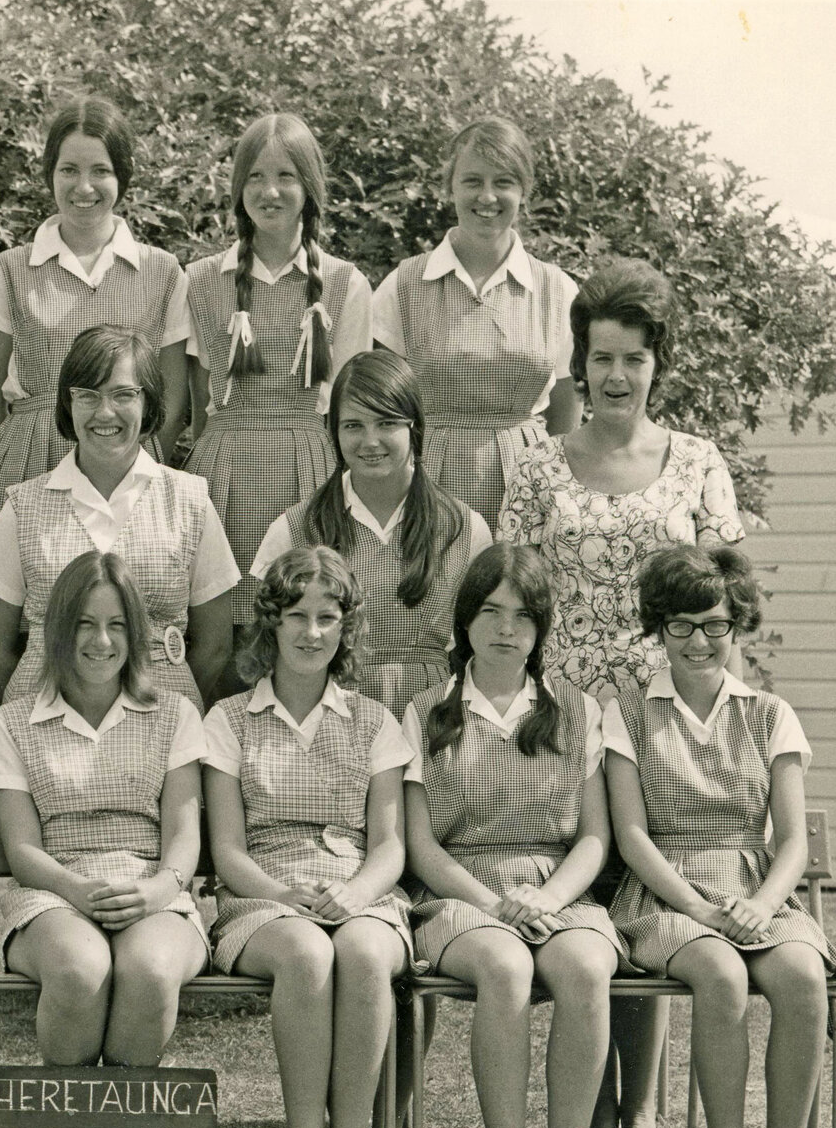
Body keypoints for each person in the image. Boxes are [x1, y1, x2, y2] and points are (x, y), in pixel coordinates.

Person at [499, 256, 746, 1128]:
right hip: (560, 720)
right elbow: (510, 594)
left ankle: (637, 1127)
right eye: (600, 357)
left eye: (633, 359)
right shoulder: (533, 463)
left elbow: (723, 609)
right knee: (584, 918)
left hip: (657, 721)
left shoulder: (695, 464)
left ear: (656, 365)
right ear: (578, 362)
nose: (615, 376)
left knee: (645, 909)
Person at [604, 545, 836, 1128]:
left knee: (802, 976)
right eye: (679, 626)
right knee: (716, 973)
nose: (697, 641)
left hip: (753, 888)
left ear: (734, 624)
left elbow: (793, 841)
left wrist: (764, 904)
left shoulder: (770, 714)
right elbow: (631, 837)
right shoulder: (625, 711)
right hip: (662, 896)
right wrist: (698, 908)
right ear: (658, 629)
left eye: (712, 624)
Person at [400, 544, 623, 1128]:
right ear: (465, 620)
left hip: (558, 892)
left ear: (540, 627)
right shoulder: (426, 711)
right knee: (504, 967)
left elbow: (593, 838)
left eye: (522, 616)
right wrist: (496, 904)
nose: (505, 630)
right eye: (490, 612)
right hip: (459, 896)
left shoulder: (577, 711)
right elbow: (420, 847)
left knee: (587, 969)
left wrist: (547, 898)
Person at [203, 545, 413, 1128]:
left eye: (327, 617)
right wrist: (284, 895)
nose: (311, 632)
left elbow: (388, 846)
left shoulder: (373, 722)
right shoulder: (228, 720)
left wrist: (353, 893)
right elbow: (227, 852)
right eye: (296, 615)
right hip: (262, 896)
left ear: (345, 628)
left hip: (359, 892)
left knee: (357, 952)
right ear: (271, 622)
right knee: (303, 953)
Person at [0, 551, 208, 1066]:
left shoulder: (174, 714)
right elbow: (23, 850)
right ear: (58, 630)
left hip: (154, 891)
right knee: (80, 969)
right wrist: (76, 889)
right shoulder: (14, 724)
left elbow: (184, 837)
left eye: (116, 625)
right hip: (53, 893)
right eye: (84, 624)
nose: (101, 642)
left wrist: (156, 890)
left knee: (149, 971)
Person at [0, 324, 237, 711]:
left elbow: (215, 644)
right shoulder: (23, 506)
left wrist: (169, 706)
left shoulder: (190, 501)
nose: (105, 412)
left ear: (149, 402)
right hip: (46, 721)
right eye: (87, 395)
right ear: (68, 403)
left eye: (123, 394)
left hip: (161, 719)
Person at [184, 112, 372, 622]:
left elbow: (349, 404)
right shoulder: (199, 280)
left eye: (286, 176)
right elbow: (197, 402)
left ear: (309, 186)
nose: (270, 191)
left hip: (308, 470)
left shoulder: (344, 282)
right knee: (221, 623)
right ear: (237, 187)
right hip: (224, 470)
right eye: (256, 177)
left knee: (305, 614)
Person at [0, 96, 190, 530]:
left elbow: (174, 397)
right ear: (49, 173)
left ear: (122, 176)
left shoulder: (163, 271)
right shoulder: (12, 268)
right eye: (68, 170)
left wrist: (134, 453)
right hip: (28, 460)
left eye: (100, 171)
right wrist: (19, 445)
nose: (83, 187)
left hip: (131, 461)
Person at [252, 349, 491, 721]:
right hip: (328, 715)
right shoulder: (294, 527)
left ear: (414, 427)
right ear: (334, 432)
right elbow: (264, 646)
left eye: (386, 423)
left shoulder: (464, 528)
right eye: (353, 425)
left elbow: (482, 649)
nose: (370, 441)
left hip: (432, 717)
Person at [371, 116, 580, 520]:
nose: (487, 196)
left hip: (528, 483)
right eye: (472, 181)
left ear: (524, 191)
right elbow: (382, 408)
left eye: (503, 181)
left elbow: (565, 421)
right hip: (425, 482)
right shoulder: (404, 284)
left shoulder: (556, 290)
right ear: (450, 187)